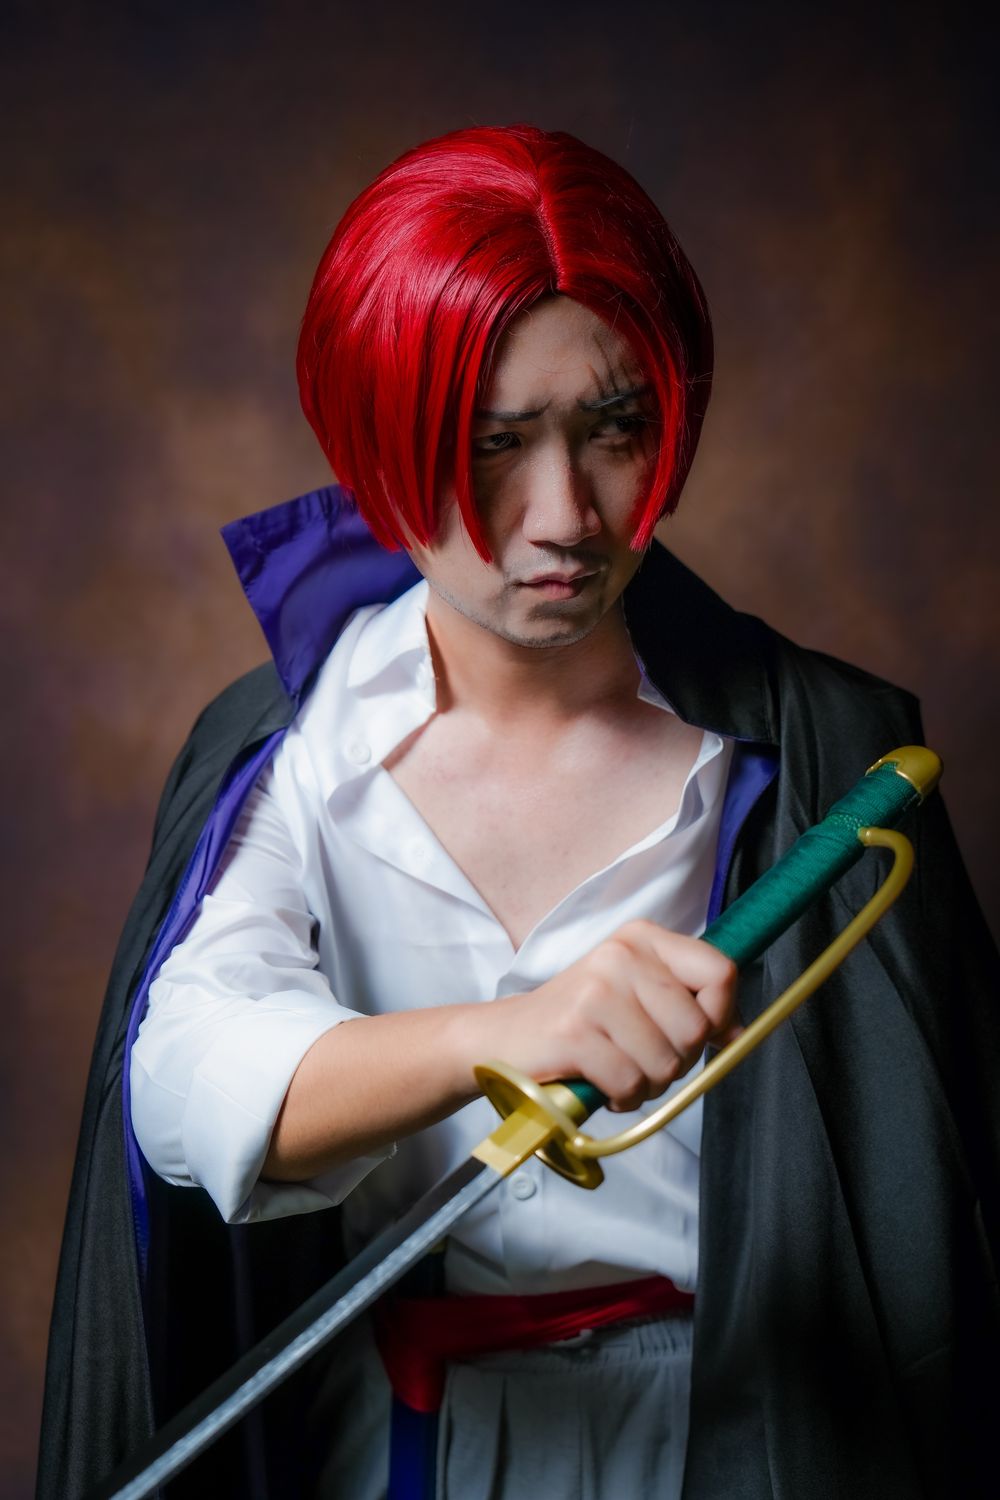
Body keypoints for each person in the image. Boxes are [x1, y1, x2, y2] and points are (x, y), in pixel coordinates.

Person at [39, 124, 1000, 1500]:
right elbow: (187, 1083)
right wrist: (505, 1036)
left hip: (754, 1438)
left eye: (616, 430)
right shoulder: (291, 753)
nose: (567, 518)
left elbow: (945, 1230)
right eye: (494, 443)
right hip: (395, 1449)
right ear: (375, 444)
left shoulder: (825, 754)